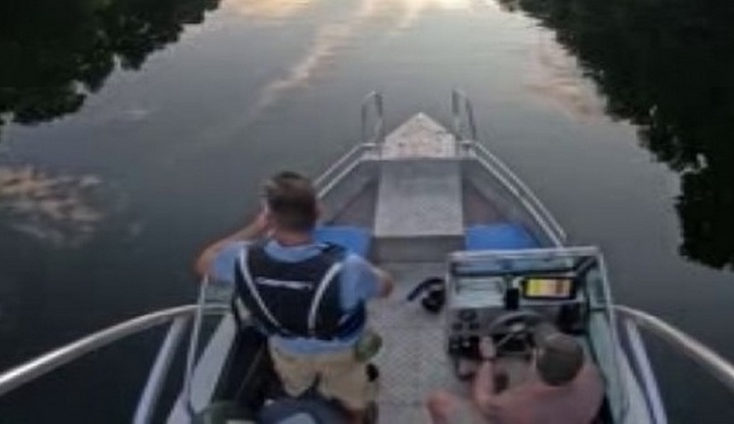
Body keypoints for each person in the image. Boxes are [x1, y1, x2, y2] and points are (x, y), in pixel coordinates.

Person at [194, 171, 394, 424]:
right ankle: (356, 416)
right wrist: (369, 271)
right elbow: (386, 288)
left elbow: (204, 262)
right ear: (318, 211)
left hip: (287, 351)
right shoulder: (348, 268)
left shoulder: (240, 258)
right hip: (341, 354)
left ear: (269, 217)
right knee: (354, 399)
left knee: (295, 386)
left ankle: (301, 398)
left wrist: (255, 228)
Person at [425, 330, 605, 424]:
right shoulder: (593, 378)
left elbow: (482, 400)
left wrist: (488, 359)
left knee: (439, 401)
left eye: (536, 354)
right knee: (511, 367)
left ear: (536, 365)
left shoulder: (511, 406)